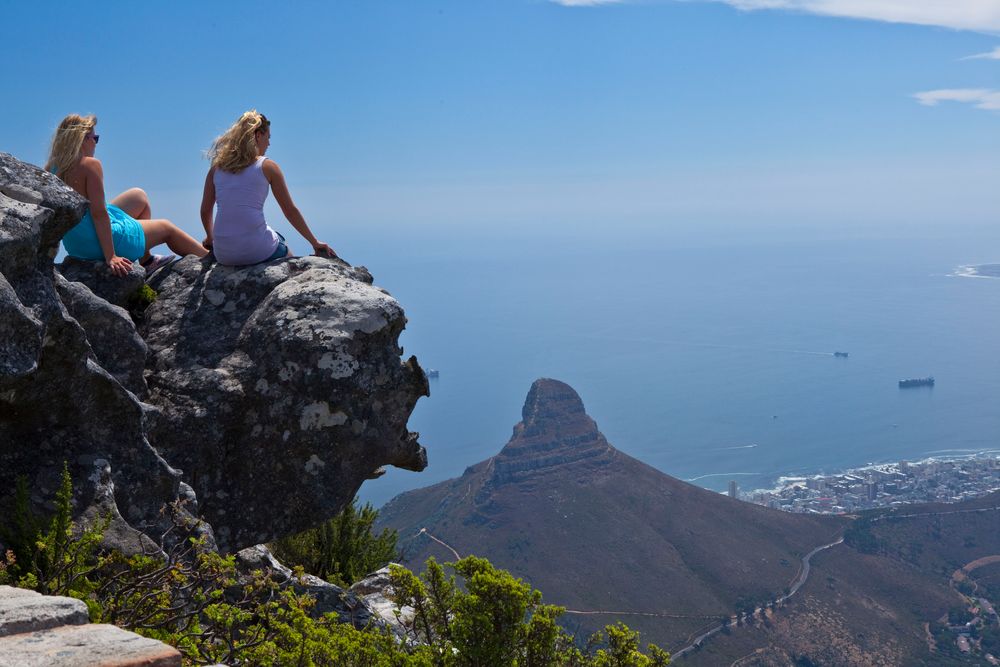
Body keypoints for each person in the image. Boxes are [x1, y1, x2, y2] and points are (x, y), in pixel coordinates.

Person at [46, 114, 208, 277]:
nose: (95, 142)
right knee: (166, 228)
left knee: (139, 196)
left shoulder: (50, 168)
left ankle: (147, 261)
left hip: (76, 244)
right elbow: (99, 214)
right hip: (97, 243)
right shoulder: (89, 165)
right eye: (94, 137)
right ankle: (210, 260)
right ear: (82, 139)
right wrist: (111, 256)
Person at [200, 110, 335, 266]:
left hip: (224, 254)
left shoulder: (216, 169)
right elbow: (289, 210)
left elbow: (205, 210)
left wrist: (211, 238)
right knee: (281, 243)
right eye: (268, 137)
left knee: (269, 234)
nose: (269, 143)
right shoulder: (267, 166)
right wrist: (314, 242)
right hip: (256, 250)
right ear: (258, 136)